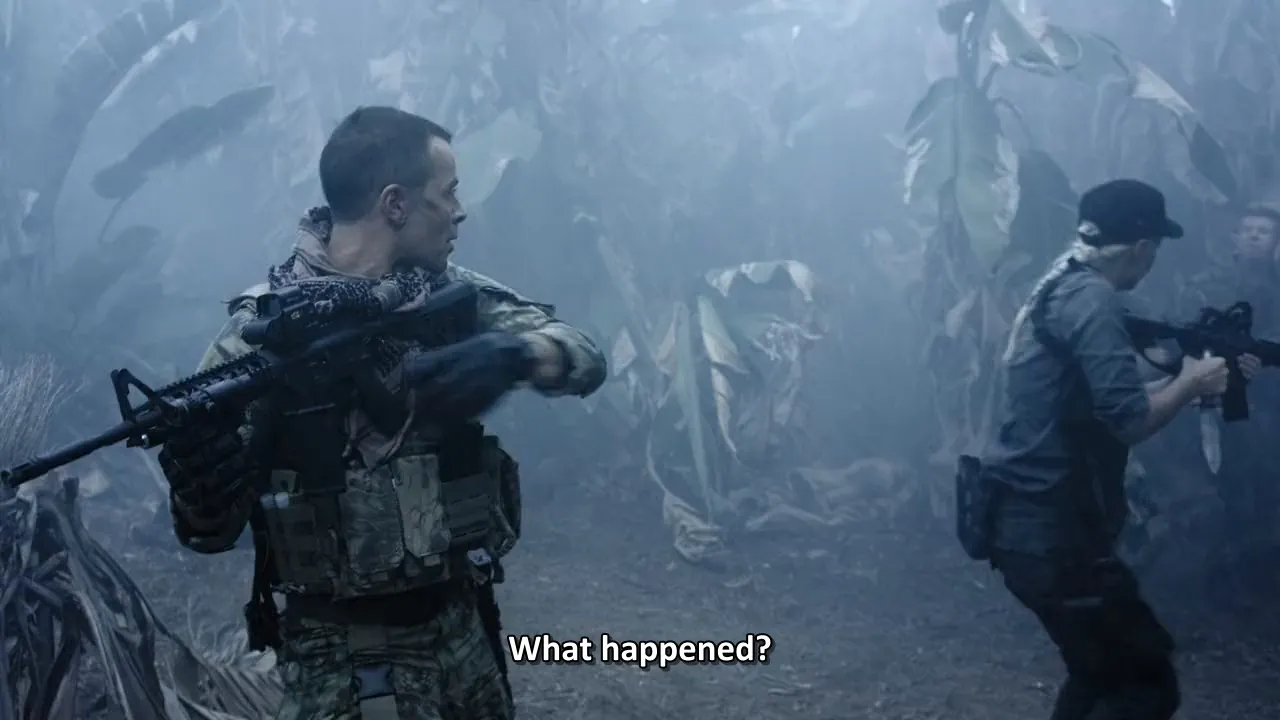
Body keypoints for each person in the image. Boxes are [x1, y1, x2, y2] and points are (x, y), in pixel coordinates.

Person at [158, 106, 607, 720]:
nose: (460, 210)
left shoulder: (442, 293)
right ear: (395, 205)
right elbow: (206, 531)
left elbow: (585, 356)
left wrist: (517, 354)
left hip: (463, 625)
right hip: (344, 658)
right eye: (447, 194)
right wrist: (199, 476)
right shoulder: (261, 339)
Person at [970, 180, 1231, 720]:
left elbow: (1109, 405)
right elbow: (1130, 421)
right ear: (1142, 247)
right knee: (1143, 686)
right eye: (1155, 249)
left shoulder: (1062, 282)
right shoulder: (1093, 299)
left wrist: (1189, 376)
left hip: (1030, 524)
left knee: (1099, 674)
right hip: (1052, 531)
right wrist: (1191, 382)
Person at [1178, 203, 1280, 602]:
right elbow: (1187, 337)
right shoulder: (1208, 285)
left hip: (1271, 400)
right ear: (1235, 238)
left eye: (1264, 231)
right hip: (1218, 401)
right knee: (1232, 486)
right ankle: (1229, 577)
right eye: (1247, 229)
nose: (1254, 236)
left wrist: (1263, 366)